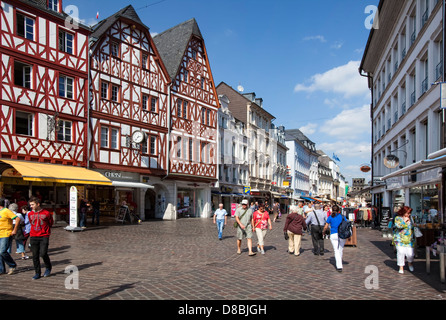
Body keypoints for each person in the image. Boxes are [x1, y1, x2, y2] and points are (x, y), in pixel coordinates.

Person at [28, 196, 54, 280]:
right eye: (30, 205)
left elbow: (50, 222)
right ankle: (37, 272)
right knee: (35, 255)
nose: (31, 206)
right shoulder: (30, 214)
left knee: (43, 253)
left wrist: (45, 231)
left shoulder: (46, 213)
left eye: (32, 204)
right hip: (33, 235)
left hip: (44, 236)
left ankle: (48, 267)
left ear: (38, 204)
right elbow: (31, 222)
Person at [323, 205, 346, 272]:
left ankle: (339, 265)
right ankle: (339, 262)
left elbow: (326, 226)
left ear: (332, 210)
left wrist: (323, 232)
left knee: (336, 250)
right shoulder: (342, 217)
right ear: (339, 210)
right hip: (342, 234)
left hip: (333, 234)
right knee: (340, 249)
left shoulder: (330, 217)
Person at [0, 198, 20, 275]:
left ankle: (12, 265)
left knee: (2, 251)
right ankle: (1, 269)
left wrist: (14, 229)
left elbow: (17, 219)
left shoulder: (6, 211)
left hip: (6, 233)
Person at [393, 206, 415, 274]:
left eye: (409, 213)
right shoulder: (398, 218)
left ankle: (410, 263)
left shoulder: (411, 218)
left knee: (410, 254)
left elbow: (412, 227)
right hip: (399, 239)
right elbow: (398, 226)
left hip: (409, 239)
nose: (408, 215)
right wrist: (404, 221)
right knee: (401, 252)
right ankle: (401, 267)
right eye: (407, 213)